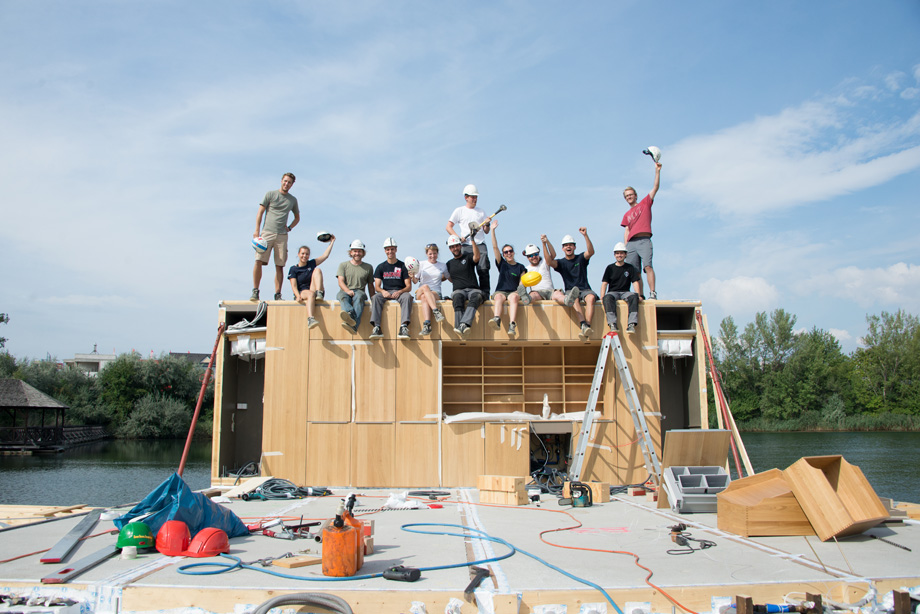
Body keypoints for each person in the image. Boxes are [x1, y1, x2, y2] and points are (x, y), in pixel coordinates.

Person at [252, 172, 300, 301]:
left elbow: (297, 217)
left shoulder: (292, 200)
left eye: (289, 182)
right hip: (266, 233)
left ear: (292, 184)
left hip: (282, 236)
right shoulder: (270, 194)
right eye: (285, 181)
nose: (286, 184)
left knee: (279, 265)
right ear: (281, 181)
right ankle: (255, 291)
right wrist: (257, 230)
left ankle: (277, 294)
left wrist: (289, 227)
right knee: (258, 260)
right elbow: (260, 212)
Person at [543, 228, 598, 340]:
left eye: (571, 245)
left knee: (591, 298)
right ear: (563, 248)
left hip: (585, 289)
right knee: (574, 299)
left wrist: (585, 235)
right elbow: (549, 262)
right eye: (566, 245)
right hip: (570, 290)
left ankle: (587, 326)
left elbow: (591, 252)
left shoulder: (580, 258)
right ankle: (583, 324)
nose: (568, 247)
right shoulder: (562, 263)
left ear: (574, 247)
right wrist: (544, 243)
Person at [621, 161, 662, 299]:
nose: (629, 197)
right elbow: (626, 230)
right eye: (626, 196)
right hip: (631, 243)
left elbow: (655, 187)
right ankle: (640, 295)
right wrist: (625, 247)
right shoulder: (626, 214)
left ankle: (653, 293)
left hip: (644, 240)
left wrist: (657, 171)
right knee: (635, 272)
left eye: (631, 195)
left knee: (647, 267)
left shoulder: (645, 203)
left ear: (636, 195)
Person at [446, 184, 491, 294]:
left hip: (480, 244)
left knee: (483, 269)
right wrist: (457, 238)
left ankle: (485, 294)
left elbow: (486, 231)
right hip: (465, 245)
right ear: (466, 197)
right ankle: (469, 292)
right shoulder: (459, 210)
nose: (475, 199)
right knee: (467, 270)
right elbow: (448, 227)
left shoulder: (481, 211)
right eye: (472, 197)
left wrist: (488, 224)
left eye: (476, 197)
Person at [488, 220, 529, 337]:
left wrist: (518, 291)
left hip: (513, 291)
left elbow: (522, 284)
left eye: (510, 251)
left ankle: (512, 324)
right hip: (501, 291)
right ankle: (496, 319)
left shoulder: (521, 267)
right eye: (505, 252)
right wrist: (492, 231)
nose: (508, 253)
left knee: (515, 297)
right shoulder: (502, 264)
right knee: (499, 297)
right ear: (503, 254)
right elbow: (495, 247)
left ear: (513, 252)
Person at [369, 238, 413, 340]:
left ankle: (404, 327)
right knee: (375, 297)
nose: (390, 252)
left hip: (400, 291)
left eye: (392, 249)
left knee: (407, 297)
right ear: (385, 251)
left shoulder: (403, 266)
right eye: (388, 249)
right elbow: (377, 287)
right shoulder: (381, 267)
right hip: (386, 291)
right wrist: (383, 291)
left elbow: (408, 286)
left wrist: (400, 291)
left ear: (396, 250)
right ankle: (377, 327)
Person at [287, 235, 335, 329]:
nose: (305, 256)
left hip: (313, 289)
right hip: (303, 292)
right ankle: (310, 318)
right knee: (310, 294)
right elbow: (293, 285)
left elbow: (325, 256)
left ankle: (319, 293)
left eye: (307, 254)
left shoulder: (311, 263)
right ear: (298, 254)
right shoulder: (294, 269)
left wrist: (332, 242)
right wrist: (297, 296)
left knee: (317, 270)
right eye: (303, 253)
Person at [445, 235, 484, 339]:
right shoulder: (448, 264)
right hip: (459, 290)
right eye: (452, 247)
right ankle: (462, 325)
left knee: (477, 296)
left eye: (456, 246)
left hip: (473, 289)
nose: (455, 248)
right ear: (450, 249)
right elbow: (442, 277)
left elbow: (477, 257)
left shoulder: (468, 256)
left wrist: (472, 240)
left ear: (460, 245)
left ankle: (462, 324)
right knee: (457, 298)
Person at [336, 240, 375, 335]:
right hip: (345, 290)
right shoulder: (343, 265)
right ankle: (350, 314)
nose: (357, 253)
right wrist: (347, 290)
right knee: (343, 297)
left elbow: (370, 285)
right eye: (355, 251)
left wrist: (373, 300)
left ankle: (354, 326)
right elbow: (340, 281)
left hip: (359, 291)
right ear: (351, 252)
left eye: (359, 251)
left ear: (363, 253)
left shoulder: (368, 267)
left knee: (358, 297)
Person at [600, 242, 641, 333]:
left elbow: (635, 282)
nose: (619, 255)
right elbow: (604, 283)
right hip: (613, 292)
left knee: (634, 297)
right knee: (607, 298)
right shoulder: (610, 268)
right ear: (614, 255)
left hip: (625, 292)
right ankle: (612, 324)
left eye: (622, 253)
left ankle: (631, 324)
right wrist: (602, 296)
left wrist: (638, 295)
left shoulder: (630, 268)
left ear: (625, 254)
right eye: (617, 253)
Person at [413, 243, 448, 336]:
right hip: (421, 290)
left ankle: (427, 325)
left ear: (437, 253)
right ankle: (436, 311)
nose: (433, 256)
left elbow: (449, 278)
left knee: (425, 297)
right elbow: (415, 281)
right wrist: (412, 275)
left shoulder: (442, 265)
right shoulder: (421, 264)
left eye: (434, 253)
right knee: (425, 287)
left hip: (435, 292)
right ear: (426, 254)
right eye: (430, 254)